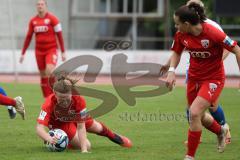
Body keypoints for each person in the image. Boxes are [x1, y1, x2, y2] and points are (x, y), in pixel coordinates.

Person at [166, 2, 240, 160]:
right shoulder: (181, 35)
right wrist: (171, 71)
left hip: (213, 78)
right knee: (195, 114)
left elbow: (236, 49)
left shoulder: (213, 32)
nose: (176, 27)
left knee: (193, 113)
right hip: (194, 77)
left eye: (177, 24)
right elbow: (176, 52)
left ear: (186, 24)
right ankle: (220, 130)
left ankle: (189, 157)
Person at [36, 78, 132, 152]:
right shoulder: (48, 104)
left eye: (67, 98)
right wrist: (48, 138)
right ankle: (67, 143)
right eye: (61, 98)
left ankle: (115, 137)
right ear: (55, 93)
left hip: (75, 116)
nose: (64, 102)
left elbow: (81, 127)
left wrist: (84, 150)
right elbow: (39, 128)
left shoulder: (79, 100)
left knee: (97, 127)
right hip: (61, 124)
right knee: (88, 145)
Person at [20, 0, 66, 98]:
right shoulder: (33, 21)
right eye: (38, 4)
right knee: (43, 75)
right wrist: (23, 53)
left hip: (51, 49)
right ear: (36, 6)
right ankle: (47, 98)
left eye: (42, 4)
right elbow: (28, 37)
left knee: (49, 70)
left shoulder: (53, 19)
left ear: (46, 6)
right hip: (39, 51)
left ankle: (56, 92)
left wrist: (63, 51)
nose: (40, 6)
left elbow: (60, 35)